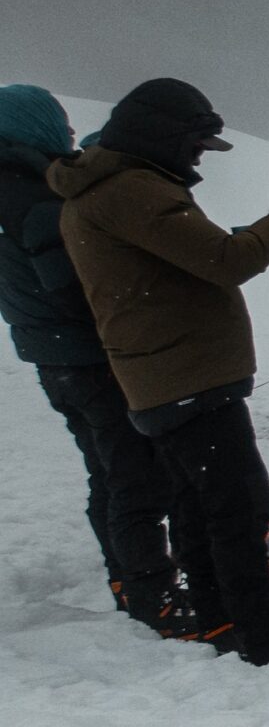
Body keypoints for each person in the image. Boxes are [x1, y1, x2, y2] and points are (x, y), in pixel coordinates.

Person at [49, 77, 269, 665]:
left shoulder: (106, 190)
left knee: (195, 503)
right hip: (186, 379)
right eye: (196, 145)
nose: (198, 158)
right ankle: (267, 640)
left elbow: (175, 261)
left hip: (165, 377)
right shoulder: (132, 190)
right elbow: (225, 261)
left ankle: (216, 619)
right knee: (242, 507)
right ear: (164, 135)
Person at [0, 84, 190, 635]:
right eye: (60, 123)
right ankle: (150, 591)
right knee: (135, 473)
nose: (69, 135)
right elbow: (73, 288)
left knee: (108, 468)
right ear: (36, 126)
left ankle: (126, 577)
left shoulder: (14, 187)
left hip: (52, 358)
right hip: (86, 356)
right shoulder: (28, 194)